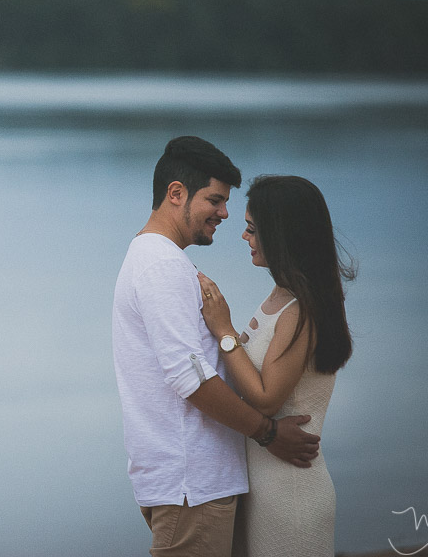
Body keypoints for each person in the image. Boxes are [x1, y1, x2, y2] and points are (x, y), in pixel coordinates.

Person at [112, 137, 320, 557]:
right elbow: (190, 379)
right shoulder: (162, 266)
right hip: (193, 484)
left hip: (185, 482)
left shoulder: (151, 256)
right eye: (215, 199)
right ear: (176, 193)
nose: (224, 213)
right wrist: (267, 432)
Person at [198, 175, 354, 557]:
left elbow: (267, 399)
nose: (244, 236)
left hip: (291, 495)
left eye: (252, 229)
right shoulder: (280, 295)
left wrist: (224, 330)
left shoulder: (300, 310)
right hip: (263, 486)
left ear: (283, 235)